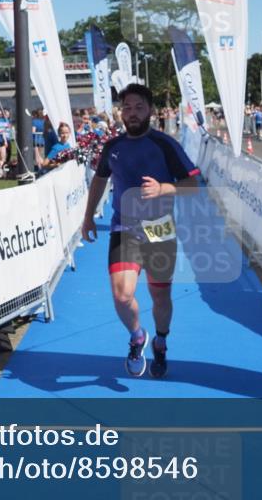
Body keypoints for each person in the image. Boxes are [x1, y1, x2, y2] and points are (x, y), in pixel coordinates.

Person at [81, 84, 200, 379]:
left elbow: (193, 186)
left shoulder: (165, 144)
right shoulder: (113, 146)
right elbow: (99, 180)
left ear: (150, 111)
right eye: (127, 108)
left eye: (138, 108)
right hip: (125, 228)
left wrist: (164, 188)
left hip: (160, 231)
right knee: (122, 295)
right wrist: (88, 217)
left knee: (160, 297)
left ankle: (160, 342)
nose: (132, 114)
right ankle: (137, 336)